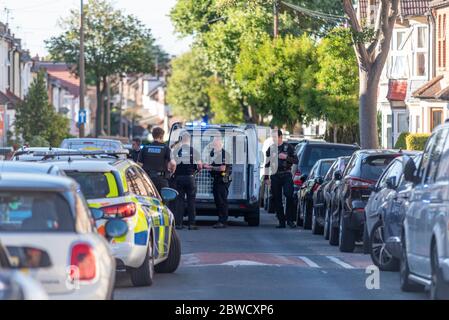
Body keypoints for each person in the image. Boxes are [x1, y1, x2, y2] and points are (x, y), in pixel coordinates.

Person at [264, 129, 299, 229]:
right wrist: (266, 177)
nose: (273, 139)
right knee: (276, 199)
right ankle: (281, 221)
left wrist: (286, 157)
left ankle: (290, 220)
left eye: (275, 137)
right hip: (275, 175)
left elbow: (296, 160)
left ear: (280, 137)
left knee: (289, 195)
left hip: (286, 174)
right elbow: (267, 164)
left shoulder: (289, 147)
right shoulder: (270, 149)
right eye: (272, 137)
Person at [172, 132, 202, 230]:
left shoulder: (176, 151)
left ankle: (178, 224)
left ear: (181, 140)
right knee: (191, 201)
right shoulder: (194, 151)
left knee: (179, 201)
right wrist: (196, 171)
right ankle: (192, 224)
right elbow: (200, 166)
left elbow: (171, 165)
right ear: (189, 140)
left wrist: (173, 172)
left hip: (179, 178)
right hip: (190, 178)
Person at [204, 136, 233, 229]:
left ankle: (223, 221)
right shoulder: (214, 154)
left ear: (220, 144)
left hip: (223, 180)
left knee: (221, 200)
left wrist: (210, 167)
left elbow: (222, 168)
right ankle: (221, 220)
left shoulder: (225, 154)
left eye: (215, 144)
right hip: (217, 179)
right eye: (213, 144)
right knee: (218, 200)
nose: (214, 146)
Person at [138, 127, 176, 194]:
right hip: (161, 180)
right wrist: (172, 172)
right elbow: (173, 163)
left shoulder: (145, 148)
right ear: (162, 136)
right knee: (164, 200)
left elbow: (139, 164)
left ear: (153, 136)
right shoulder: (165, 148)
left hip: (147, 179)